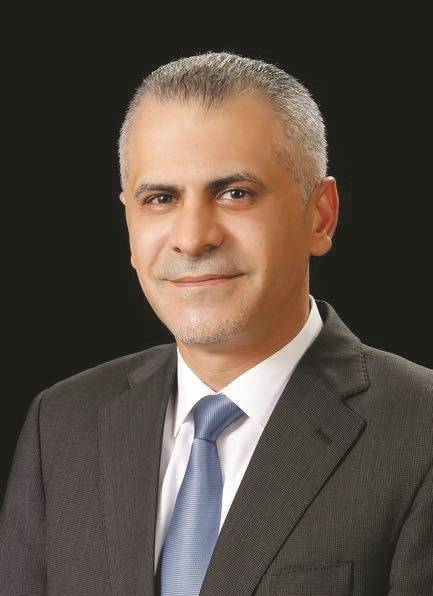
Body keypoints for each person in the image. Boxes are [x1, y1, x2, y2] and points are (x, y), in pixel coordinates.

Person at [0, 51, 431, 596]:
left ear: (320, 216)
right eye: (161, 198)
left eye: (235, 194)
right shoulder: (61, 424)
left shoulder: (421, 432)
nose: (193, 237)